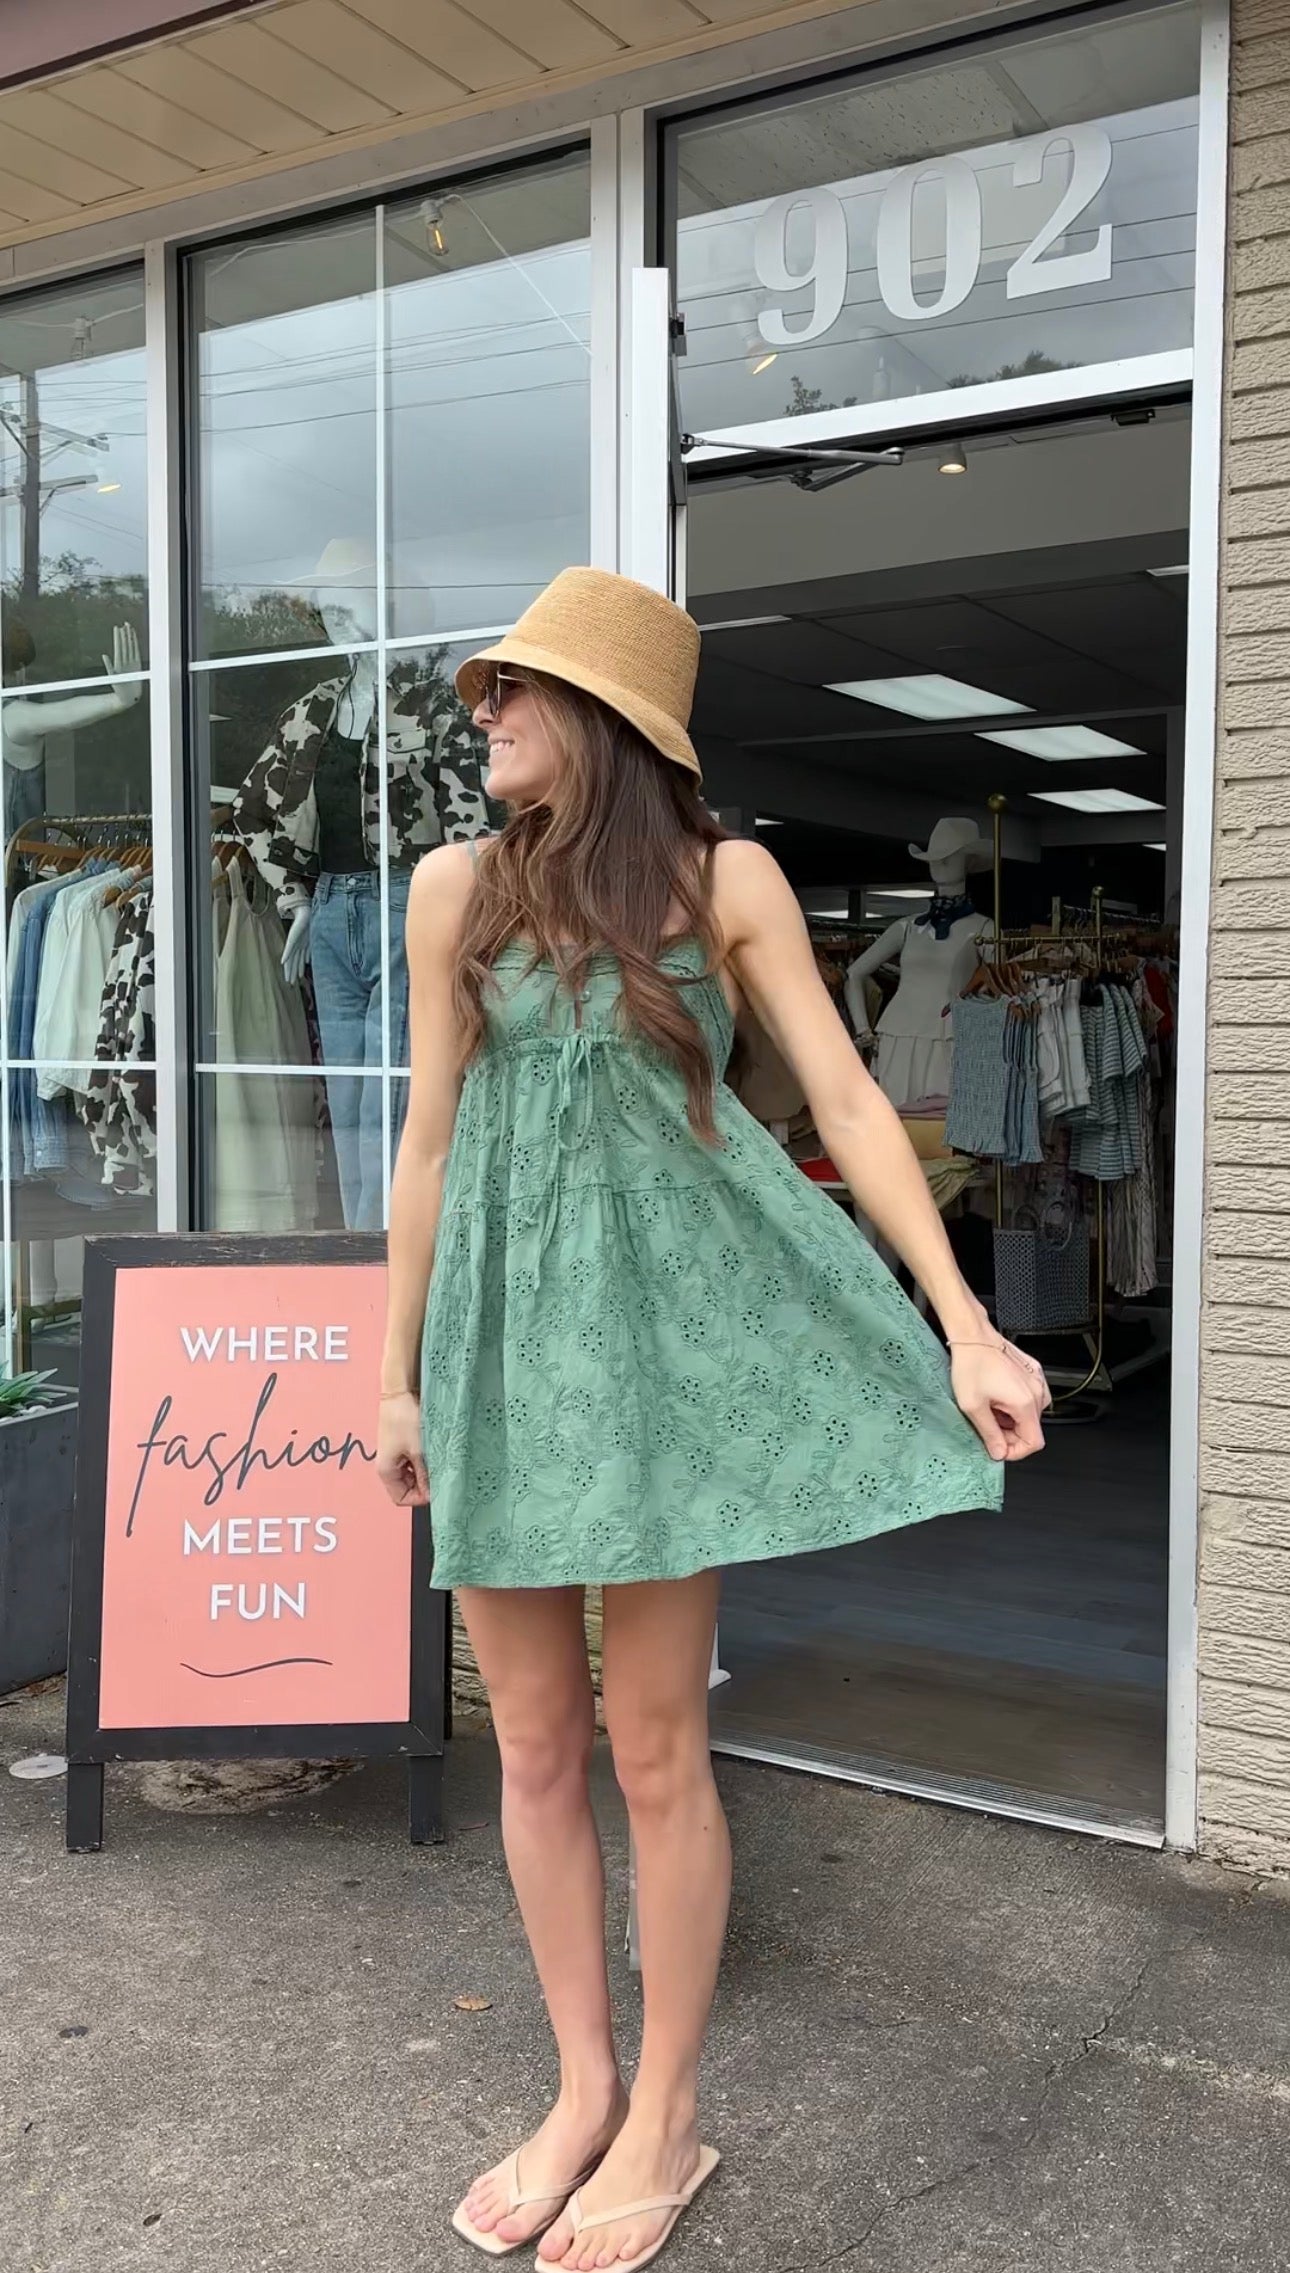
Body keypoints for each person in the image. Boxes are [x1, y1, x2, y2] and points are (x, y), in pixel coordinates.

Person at [377, 567, 1047, 2273]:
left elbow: (845, 1101)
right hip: (503, 1347)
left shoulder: (718, 878)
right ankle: (582, 2087)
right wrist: (393, 1372)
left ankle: (667, 2112)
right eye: (486, 691)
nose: (486, 715)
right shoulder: (452, 888)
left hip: (660, 1353)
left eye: (515, 689)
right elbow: (429, 1145)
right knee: (532, 1741)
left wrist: (965, 1322)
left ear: (603, 715)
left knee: (654, 1744)